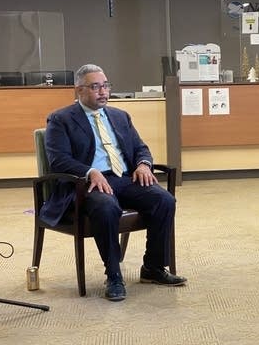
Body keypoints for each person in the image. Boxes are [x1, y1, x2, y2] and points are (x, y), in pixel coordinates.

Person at [42, 64, 187, 301]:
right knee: (106, 207)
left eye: (106, 85)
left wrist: (143, 164)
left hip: (123, 178)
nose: (103, 92)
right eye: (95, 86)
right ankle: (114, 275)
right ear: (79, 90)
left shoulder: (120, 116)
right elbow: (58, 160)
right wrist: (90, 172)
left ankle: (153, 267)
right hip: (86, 184)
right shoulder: (61, 119)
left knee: (164, 200)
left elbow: (141, 148)